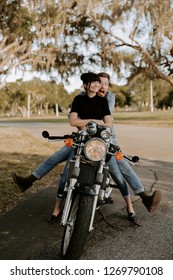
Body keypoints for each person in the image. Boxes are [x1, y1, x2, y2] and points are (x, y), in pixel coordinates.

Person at [12, 72, 162, 222]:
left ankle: (138, 201)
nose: (101, 86)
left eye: (104, 83)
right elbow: (72, 120)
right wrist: (89, 122)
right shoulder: (79, 97)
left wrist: (86, 122)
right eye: (98, 82)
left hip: (105, 141)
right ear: (87, 84)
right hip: (83, 139)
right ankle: (32, 184)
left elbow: (106, 120)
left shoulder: (108, 97)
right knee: (59, 159)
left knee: (120, 169)